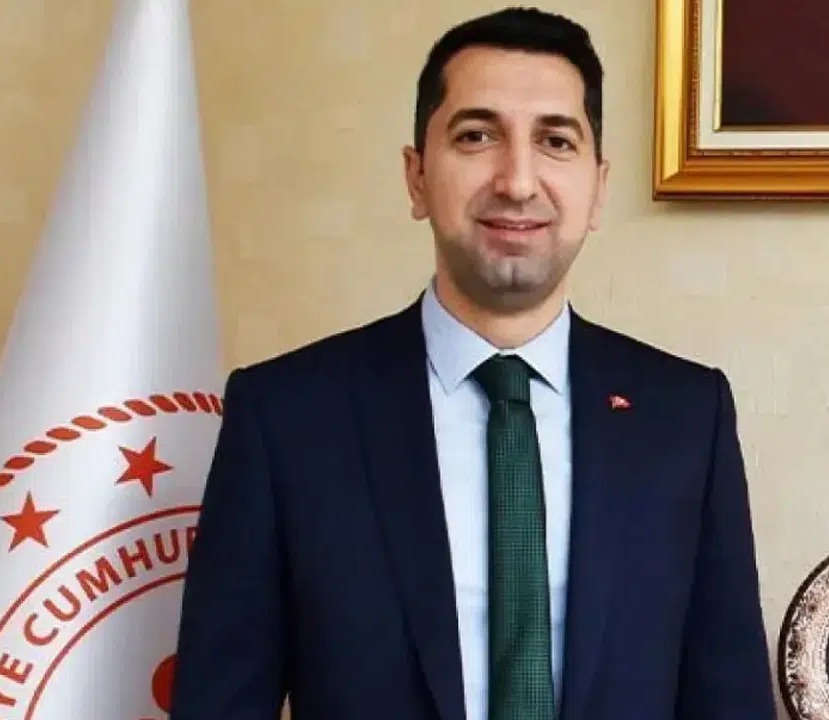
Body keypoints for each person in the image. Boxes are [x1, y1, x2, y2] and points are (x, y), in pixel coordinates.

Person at [168, 7, 776, 720]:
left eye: (555, 140)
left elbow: (729, 700)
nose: (517, 181)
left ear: (598, 187)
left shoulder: (686, 419)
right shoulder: (286, 417)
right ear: (417, 176)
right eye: (477, 136)